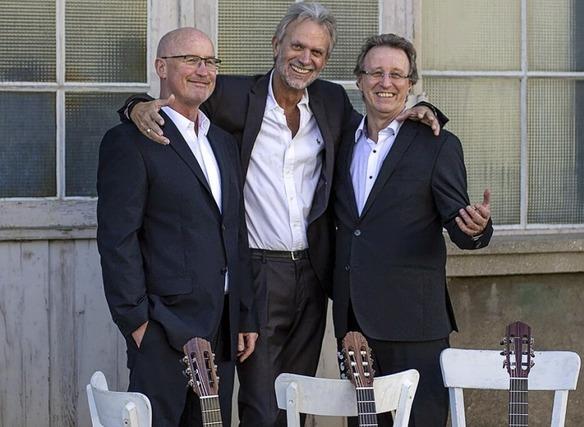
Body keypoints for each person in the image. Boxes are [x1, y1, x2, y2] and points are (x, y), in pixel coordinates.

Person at [119, 4, 446, 426]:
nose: (305, 59)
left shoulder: (329, 101)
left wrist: (423, 112)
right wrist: (135, 105)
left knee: (297, 396)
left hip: (311, 273)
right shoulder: (234, 95)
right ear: (276, 45)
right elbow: (184, 90)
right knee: (260, 400)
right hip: (257, 270)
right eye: (297, 45)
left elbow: (378, 124)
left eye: (317, 52)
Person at [97, 27, 257, 427]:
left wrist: (244, 314)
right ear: (161, 67)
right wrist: (137, 324)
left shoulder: (223, 142)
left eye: (210, 61)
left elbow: (234, 232)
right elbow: (117, 239)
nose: (203, 70)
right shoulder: (130, 141)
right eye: (190, 59)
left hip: (222, 330)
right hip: (163, 329)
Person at [331, 34, 493, 427]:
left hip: (414, 324)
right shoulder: (341, 140)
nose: (386, 82)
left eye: (397, 75)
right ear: (359, 80)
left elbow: (460, 224)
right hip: (354, 322)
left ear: (410, 84)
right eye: (376, 72)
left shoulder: (437, 144)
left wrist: (476, 229)